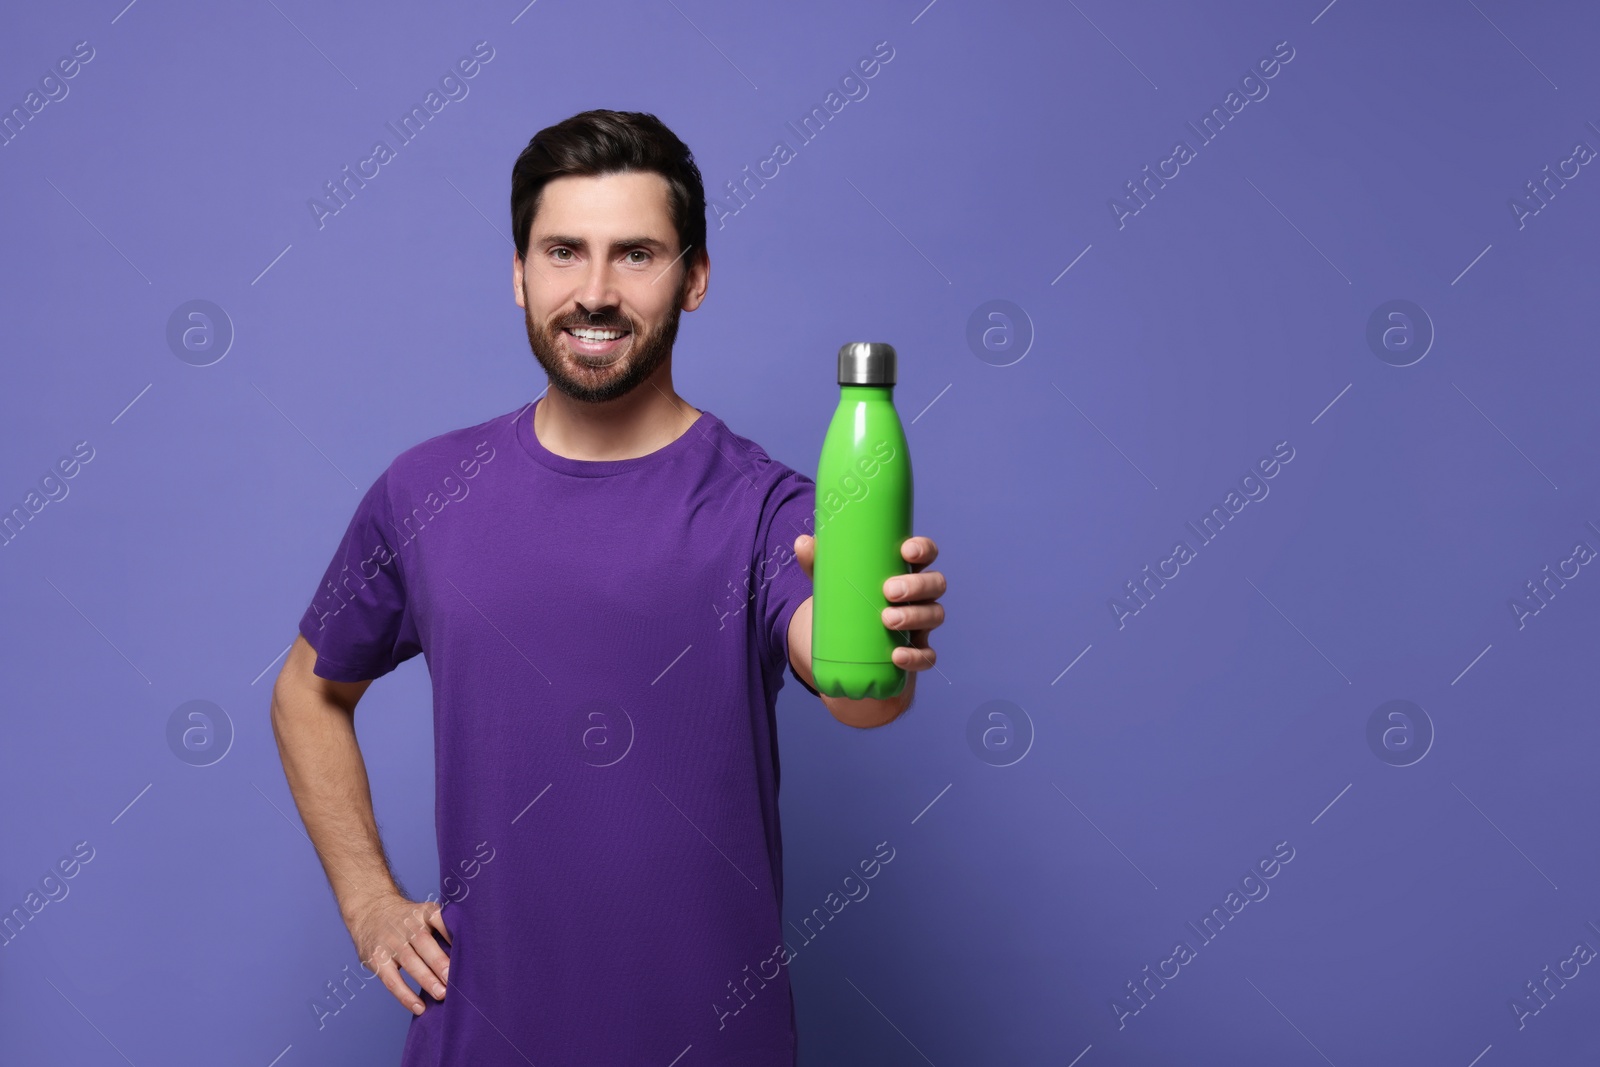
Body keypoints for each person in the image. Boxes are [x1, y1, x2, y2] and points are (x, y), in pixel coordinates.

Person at [270, 109, 947, 1066]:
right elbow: (307, 689)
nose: (594, 291)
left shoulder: (766, 507)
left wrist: (881, 632)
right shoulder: (425, 491)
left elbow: (854, 690)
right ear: (518, 273)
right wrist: (369, 901)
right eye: (562, 252)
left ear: (695, 278)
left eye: (635, 254)